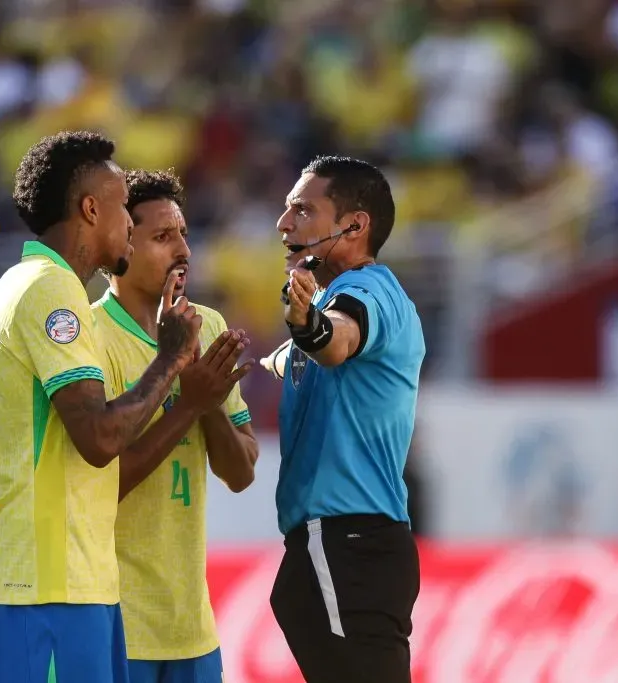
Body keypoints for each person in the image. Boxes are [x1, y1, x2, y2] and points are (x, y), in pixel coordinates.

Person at [0, 132, 201, 683]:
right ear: (91, 208)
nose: (129, 221)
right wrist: (170, 361)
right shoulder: (49, 289)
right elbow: (99, 439)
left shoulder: (39, 285)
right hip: (48, 583)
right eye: (124, 206)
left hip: (74, 578)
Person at [93, 168, 259, 683]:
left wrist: (206, 402)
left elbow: (241, 472)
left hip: (193, 627)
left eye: (184, 233)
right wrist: (187, 404)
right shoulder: (88, 336)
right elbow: (100, 484)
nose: (183, 249)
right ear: (121, 242)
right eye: (163, 237)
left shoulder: (205, 325)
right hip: (120, 623)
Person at [268, 155, 426, 683]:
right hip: (351, 546)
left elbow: (335, 340)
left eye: (302, 209)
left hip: (346, 542)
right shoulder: (344, 292)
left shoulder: (366, 291)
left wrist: (307, 323)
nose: (283, 223)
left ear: (354, 225)